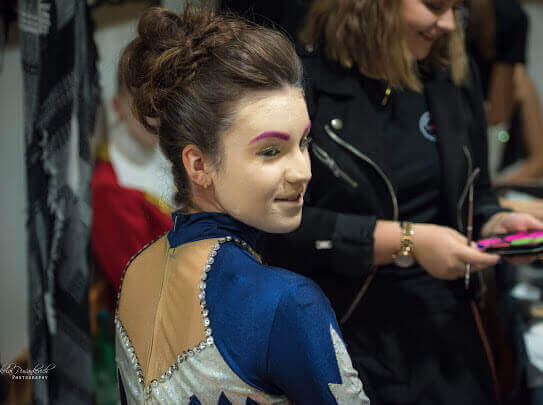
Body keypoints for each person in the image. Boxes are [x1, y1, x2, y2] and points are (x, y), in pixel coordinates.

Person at [258, 0, 543, 404]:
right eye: (434, 6)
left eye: (455, 9)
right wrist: (404, 240)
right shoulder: (304, 89)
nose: (447, 23)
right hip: (349, 329)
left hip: (450, 332)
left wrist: (496, 225)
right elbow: (279, 229)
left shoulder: (450, 81)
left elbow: (477, 198)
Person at [114, 6, 369, 404]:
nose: (303, 171)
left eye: (304, 143)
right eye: (270, 151)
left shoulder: (135, 274)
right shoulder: (288, 303)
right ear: (199, 165)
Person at [91, 72, 174, 291]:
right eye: (140, 102)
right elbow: (136, 282)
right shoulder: (111, 186)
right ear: (117, 106)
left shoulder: (169, 150)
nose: (152, 113)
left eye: (159, 99)